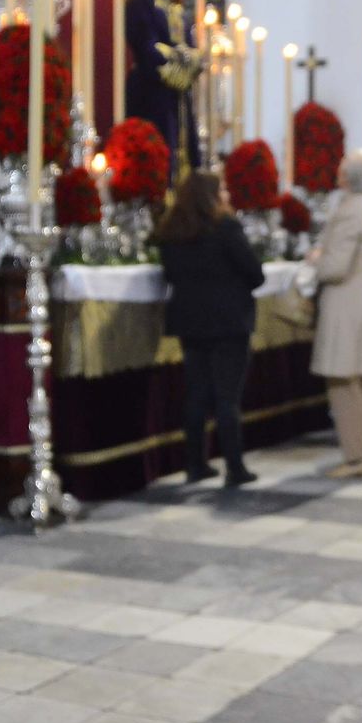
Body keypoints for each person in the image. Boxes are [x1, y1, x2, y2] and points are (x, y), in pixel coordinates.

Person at [153, 170, 263, 487]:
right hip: (228, 322)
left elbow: (171, 276)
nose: (227, 195)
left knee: (197, 395)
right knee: (227, 397)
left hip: (191, 321)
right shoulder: (225, 227)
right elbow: (255, 273)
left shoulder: (171, 231)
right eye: (223, 189)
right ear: (211, 196)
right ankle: (235, 467)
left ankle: (195, 465)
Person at [308, 149, 362, 478]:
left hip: (347, 304)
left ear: (348, 176)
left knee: (344, 381)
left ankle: (356, 458)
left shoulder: (348, 211)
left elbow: (335, 267)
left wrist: (316, 259)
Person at [124, 0, 200, 171]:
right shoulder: (140, 7)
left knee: (182, 150)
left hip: (177, 93)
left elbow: (192, 50)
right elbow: (148, 49)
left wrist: (190, 61)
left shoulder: (178, 12)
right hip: (151, 90)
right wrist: (179, 59)